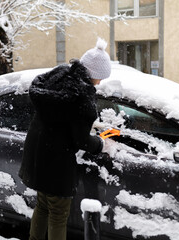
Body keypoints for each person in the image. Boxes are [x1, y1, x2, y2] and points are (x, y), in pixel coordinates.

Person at [18, 38, 111, 240]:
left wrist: (84, 124)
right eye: (100, 77)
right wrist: (101, 143)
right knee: (58, 214)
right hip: (57, 163)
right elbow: (81, 141)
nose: (100, 82)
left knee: (42, 206)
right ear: (93, 74)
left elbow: (58, 114)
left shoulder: (59, 75)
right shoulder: (82, 96)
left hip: (37, 153)